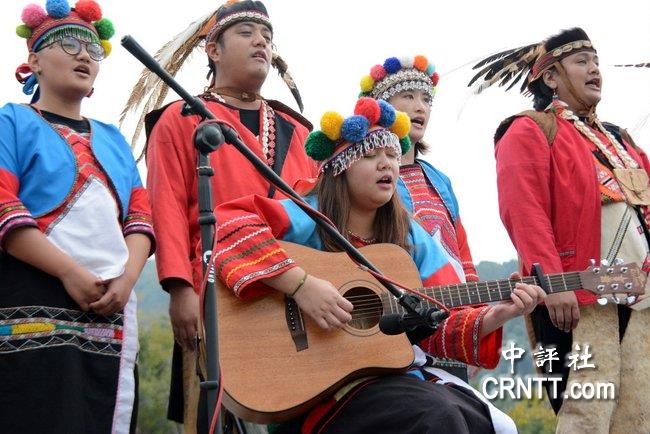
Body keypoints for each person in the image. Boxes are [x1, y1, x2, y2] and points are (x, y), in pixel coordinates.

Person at [214, 98, 545, 433]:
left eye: (391, 156)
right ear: (340, 168)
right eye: (371, 155)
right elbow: (227, 227)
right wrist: (301, 285)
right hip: (319, 390)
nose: (386, 164)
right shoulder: (308, 216)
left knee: (482, 423)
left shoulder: (411, 237)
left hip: (394, 380)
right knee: (438, 415)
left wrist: (499, 313)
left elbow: (437, 325)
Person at [121, 0, 318, 429]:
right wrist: (179, 289)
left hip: (297, 293)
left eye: (266, 36)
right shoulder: (180, 119)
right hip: (213, 289)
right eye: (247, 32)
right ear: (213, 49)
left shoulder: (301, 131)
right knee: (214, 416)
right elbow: (166, 206)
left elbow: (321, 214)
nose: (261, 41)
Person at [471, 27, 650, 433]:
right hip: (579, 293)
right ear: (550, 76)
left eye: (597, 61)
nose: (595, 70)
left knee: (640, 417)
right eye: (582, 61)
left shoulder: (620, 139)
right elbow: (524, 211)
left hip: (640, 295)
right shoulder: (529, 129)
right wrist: (553, 284)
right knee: (587, 412)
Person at [0, 1, 154, 433]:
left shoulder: (113, 139)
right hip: (31, 292)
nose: (84, 54)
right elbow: (2, 206)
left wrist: (126, 281)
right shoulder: (10, 121)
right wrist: (69, 272)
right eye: (68, 43)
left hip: (112, 304)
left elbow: (141, 218)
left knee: (102, 410)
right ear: (33, 61)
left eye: (92, 48)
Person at [359, 55, 478, 379]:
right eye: (408, 97)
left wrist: (476, 321)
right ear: (380, 106)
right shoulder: (363, 178)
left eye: (426, 99)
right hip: (389, 326)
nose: (420, 106)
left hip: (450, 317)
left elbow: (461, 256)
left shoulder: (440, 180)